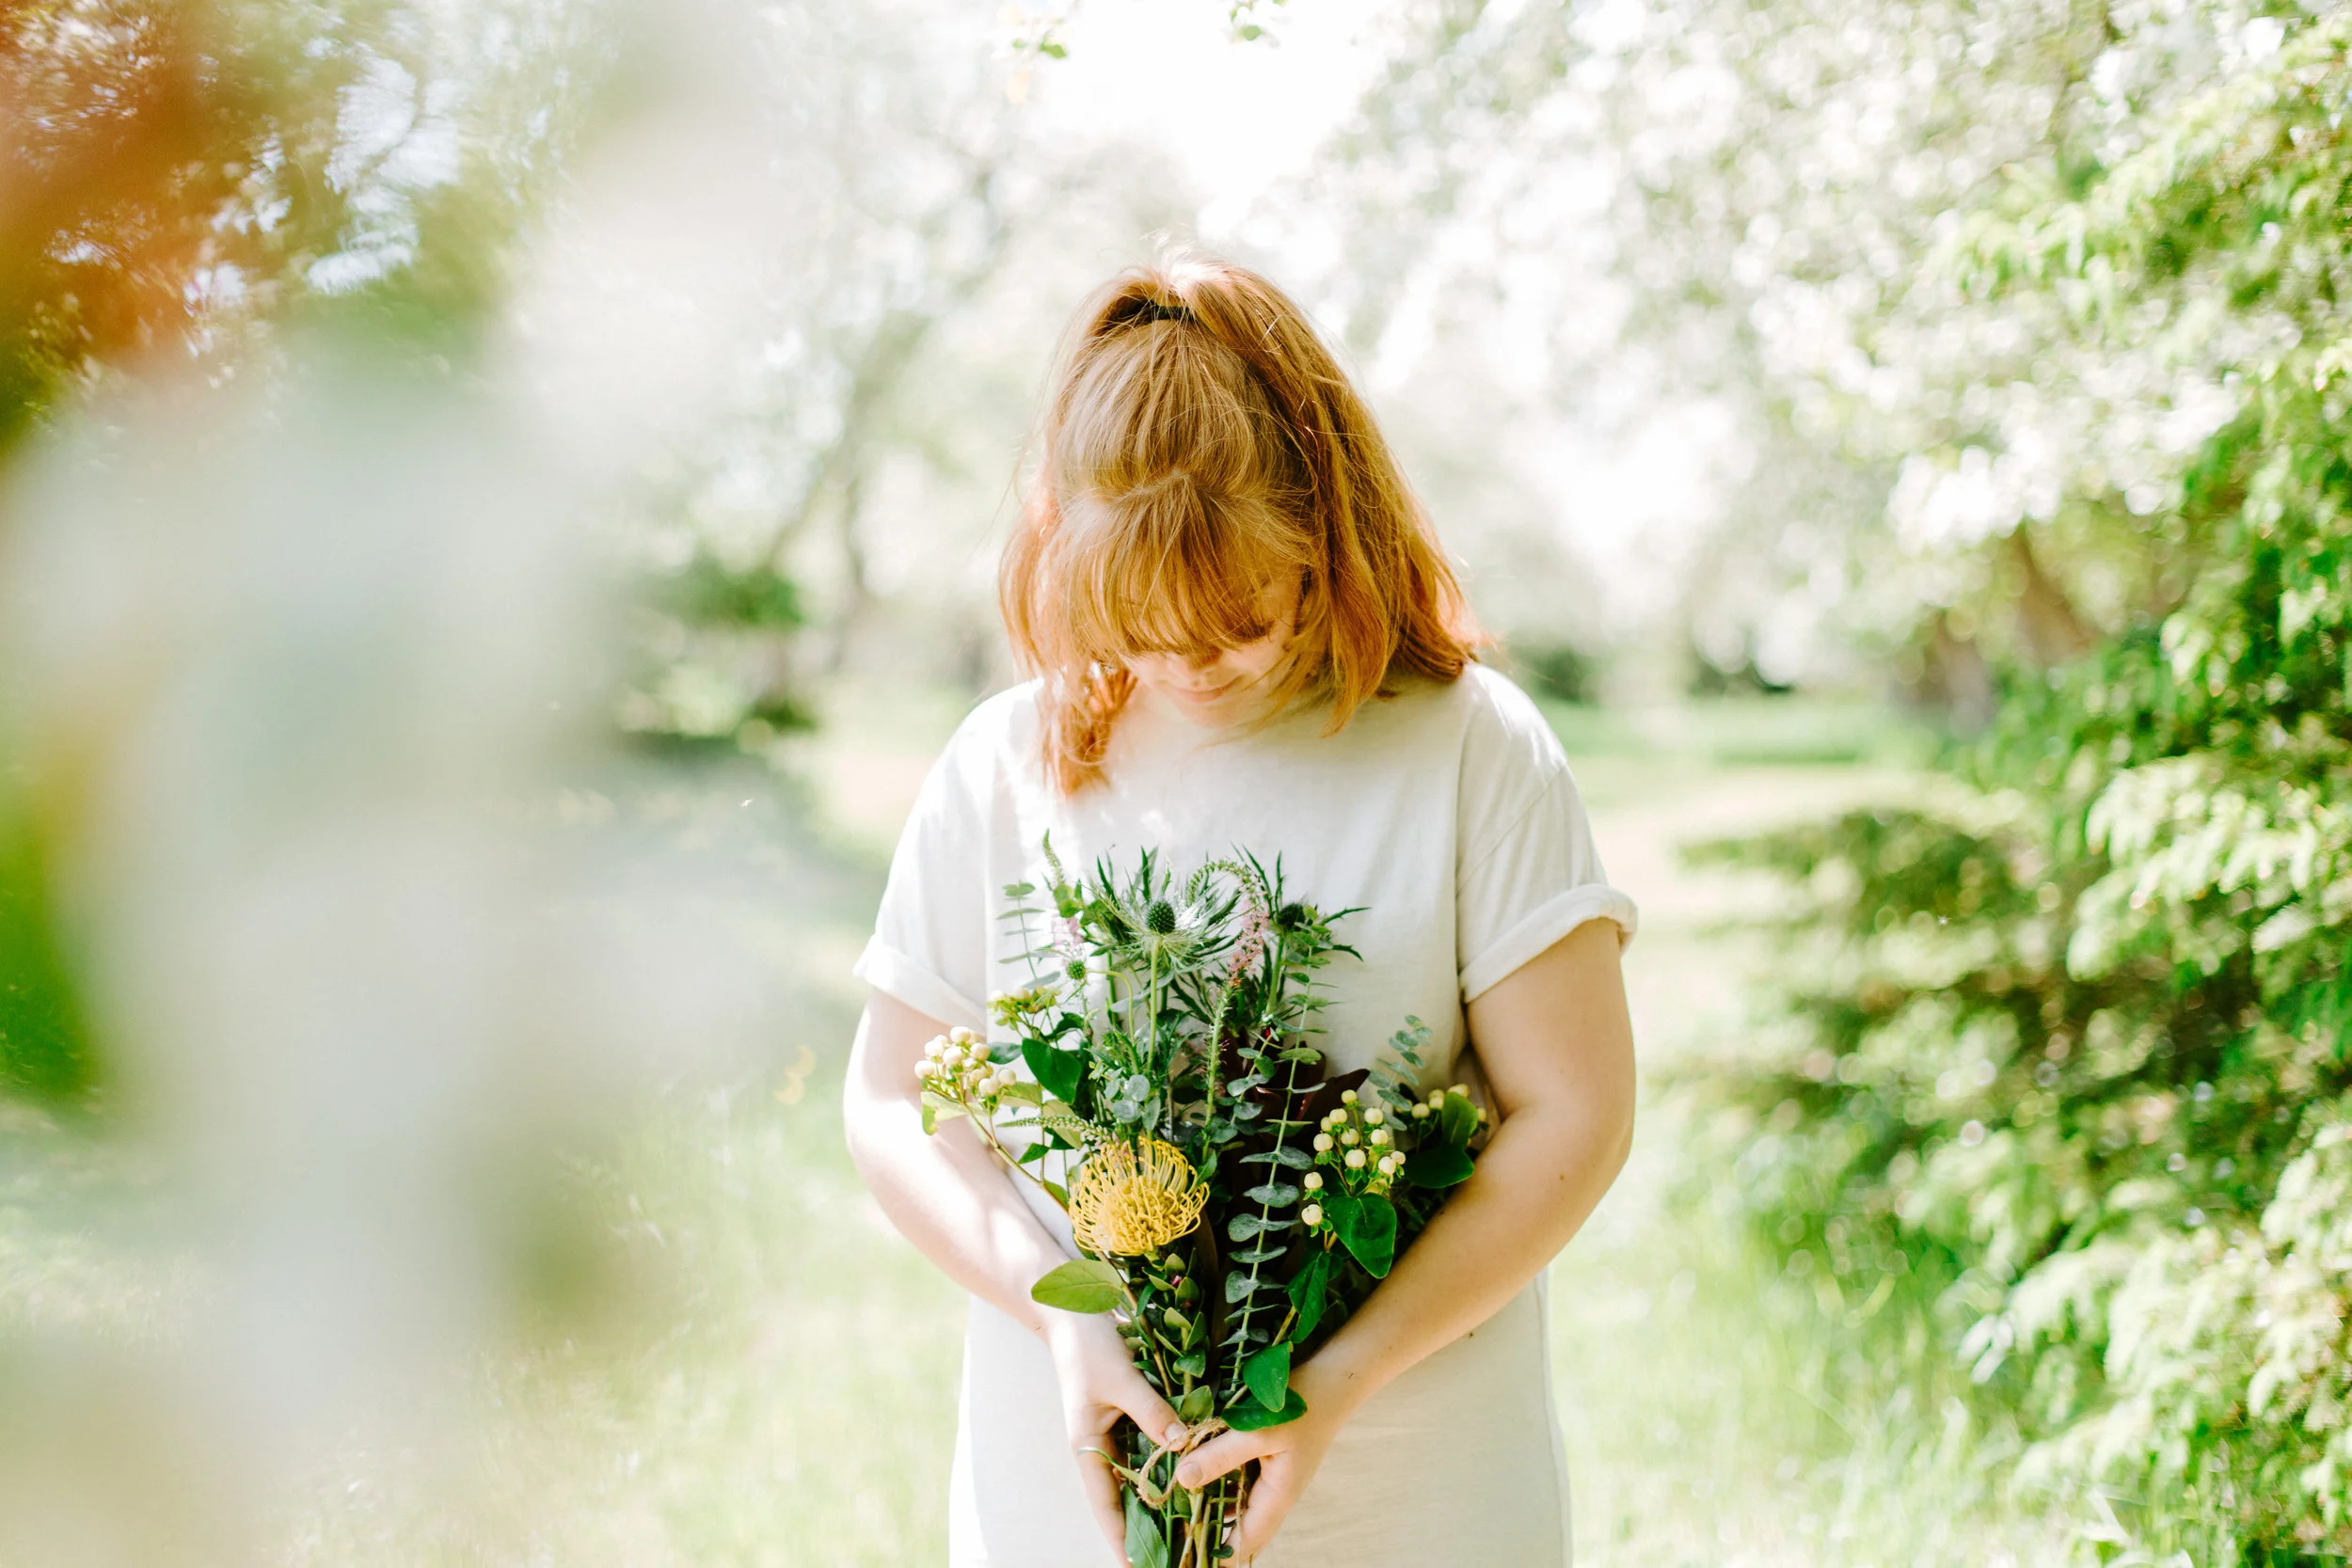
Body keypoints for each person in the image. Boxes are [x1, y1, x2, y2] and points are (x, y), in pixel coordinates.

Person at [841, 253, 1638, 1568]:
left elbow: (1580, 1113)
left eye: (1238, 617)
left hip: (1417, 1484)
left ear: (1325, 534)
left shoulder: (1470, 748)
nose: (1188, 665)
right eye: (1137, 625)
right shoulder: (1002, 765)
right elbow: (887, 1104)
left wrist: (1339, 1378)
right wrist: (1062, 1318)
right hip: (1075, 1483)